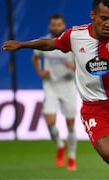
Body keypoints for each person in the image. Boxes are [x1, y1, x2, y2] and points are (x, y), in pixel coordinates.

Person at [2, 0, 109, 180]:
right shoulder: (75, 35)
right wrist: (22, 45)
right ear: (92, 15)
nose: (108, 23)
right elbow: (50, 44)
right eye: (104, 18)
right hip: (95, 109)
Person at [31, 14, 77, 171]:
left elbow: (84, 64)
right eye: (53, 24)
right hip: (50, 86)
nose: (56, 27)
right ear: (50, 26)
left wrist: (75, 67)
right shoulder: (44, 43)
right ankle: (59, 145)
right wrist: (40, 72)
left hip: (68, 86)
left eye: (59, 24)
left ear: (63, 25)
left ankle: (71, 156)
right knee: (50, 122)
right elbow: (35, 58)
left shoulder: (72, 42)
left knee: (70, 125)